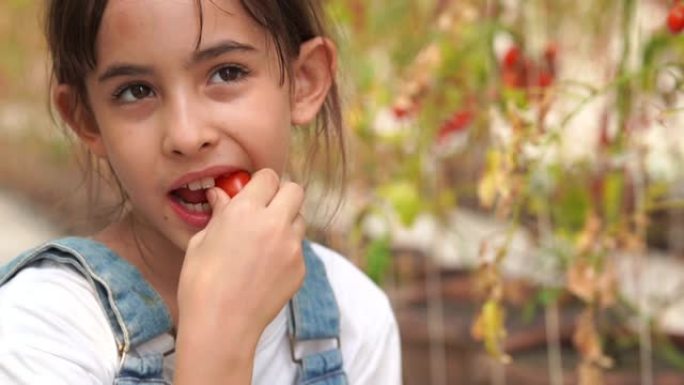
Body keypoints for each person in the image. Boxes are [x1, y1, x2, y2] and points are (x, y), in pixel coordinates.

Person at [0, 1, 401, 384]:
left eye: (227, 72)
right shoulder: (39, 332)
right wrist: (220, 335)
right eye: (135, 91)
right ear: (86, 119)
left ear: (304, 82)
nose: (187, 136)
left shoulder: (354, 319)